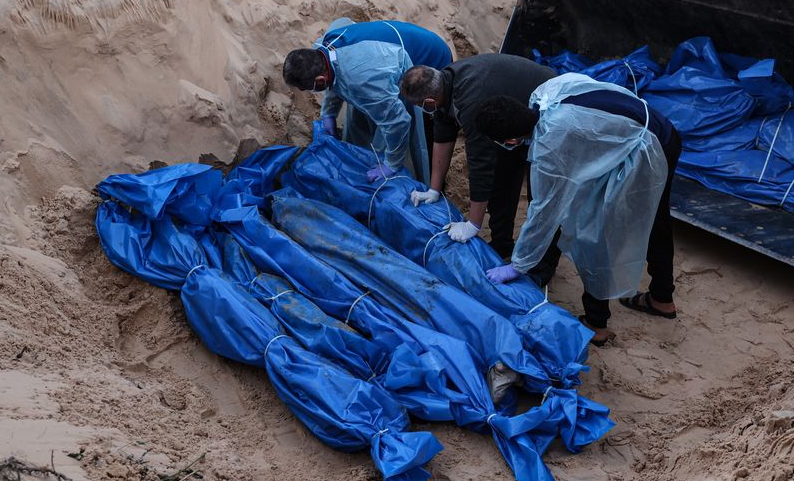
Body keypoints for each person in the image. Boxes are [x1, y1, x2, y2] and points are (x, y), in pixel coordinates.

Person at [474, 73, 682, 345]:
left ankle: (597, 325)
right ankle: (662, 297)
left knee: (593, 229)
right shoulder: (543, 93)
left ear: (511, 140)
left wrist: (518, 264)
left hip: (647, 147)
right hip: (655, 125)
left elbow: (544, 211)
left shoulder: (551, 146)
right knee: (655, 219)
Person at [399, 53, 560, 284]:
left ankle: (542, 266)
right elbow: (442, 138)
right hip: (509, 107)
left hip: (546, 107)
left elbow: (480, 165)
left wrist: (473, 224)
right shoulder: (445, 83)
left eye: (418, 106)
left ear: (430, 101)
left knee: (543, 194)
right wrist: (433, 190)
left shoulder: (471, 102)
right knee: (503, 176)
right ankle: (502, 243)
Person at [283, 19, 451, 184]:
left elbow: (398, 122)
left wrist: (391, 165)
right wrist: (329, 113)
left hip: (429, 60)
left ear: (320, 80)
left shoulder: (365, 79)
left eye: (309, 88)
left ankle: (433, 186)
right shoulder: (321, 51)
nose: (309, 91)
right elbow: (333, 77)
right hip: (388, 52)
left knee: (425, 134)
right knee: (371, 111)